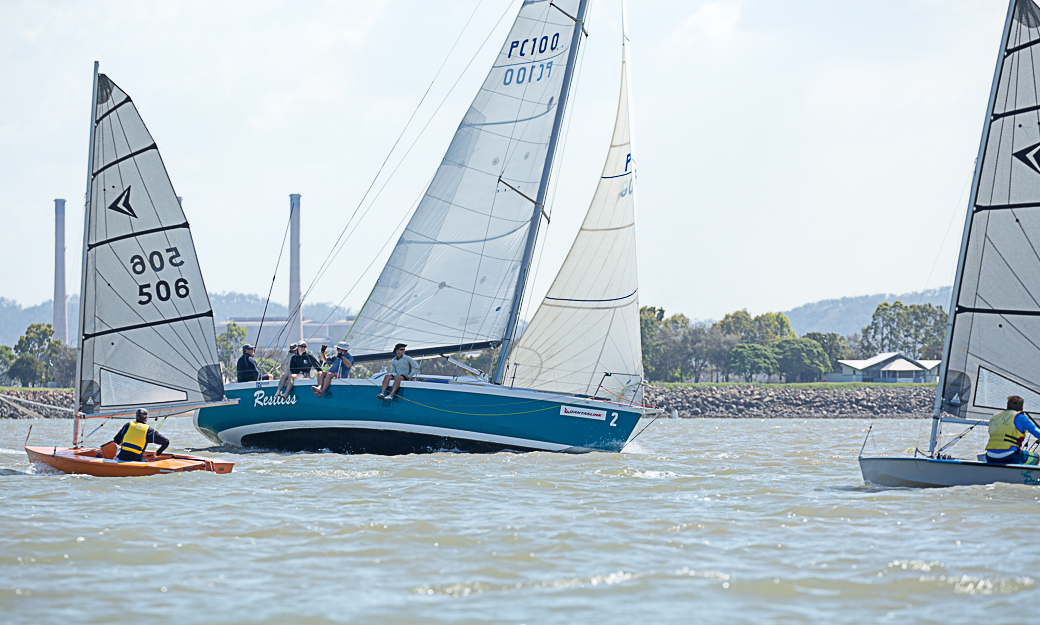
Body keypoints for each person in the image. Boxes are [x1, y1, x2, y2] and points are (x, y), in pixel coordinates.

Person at [985, 394, 1040, 465]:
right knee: (1036, 457)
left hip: (989, 456)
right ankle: (1024, 476)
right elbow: (1037, 432)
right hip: (1009, 456)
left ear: (1007, 406)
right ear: (1022, 408)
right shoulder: (1021, 417)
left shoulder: (995, 417)